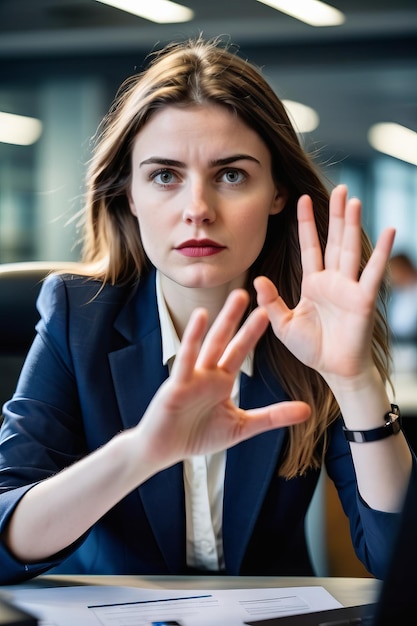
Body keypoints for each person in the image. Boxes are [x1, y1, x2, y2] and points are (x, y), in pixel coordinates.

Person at [0, 36, 415, 585]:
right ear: (128, 194)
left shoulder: (311, 327)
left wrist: (356, 381)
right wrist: (142, 452)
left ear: (277, 193)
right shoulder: (78, 316)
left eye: (232, 175)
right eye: (165, 175)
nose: (197, 209)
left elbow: (401, 566)